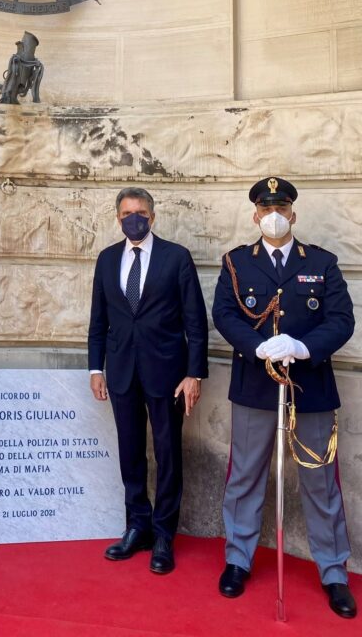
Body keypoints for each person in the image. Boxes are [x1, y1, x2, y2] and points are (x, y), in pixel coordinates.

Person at [212, 176, 356, 619]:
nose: (273, 215)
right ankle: (238, 559)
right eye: (265, 208)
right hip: (255, 385)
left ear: (293, 214)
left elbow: (342, 319)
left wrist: (303, 347)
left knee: (320, 480)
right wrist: (256, 347)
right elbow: (224, 313)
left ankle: (333, 571)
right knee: (244, 476)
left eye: (281, 207)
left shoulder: (322, 263)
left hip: (310, 386)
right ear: (254, 215)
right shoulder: (237, 262)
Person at [88, 186, 208, 574]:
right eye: (126, 214)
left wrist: (193, 373)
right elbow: (98, 320)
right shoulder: (107, 259)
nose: (133, 219)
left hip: (167, 374)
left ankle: (163, 535)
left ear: (152, 217)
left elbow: (195, 321)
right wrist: (95, 368)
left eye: (140, 213)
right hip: (122, 371)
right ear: (118, 218)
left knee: (168, 453)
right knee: (130, 452)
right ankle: (137, 526)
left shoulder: (176, 257)